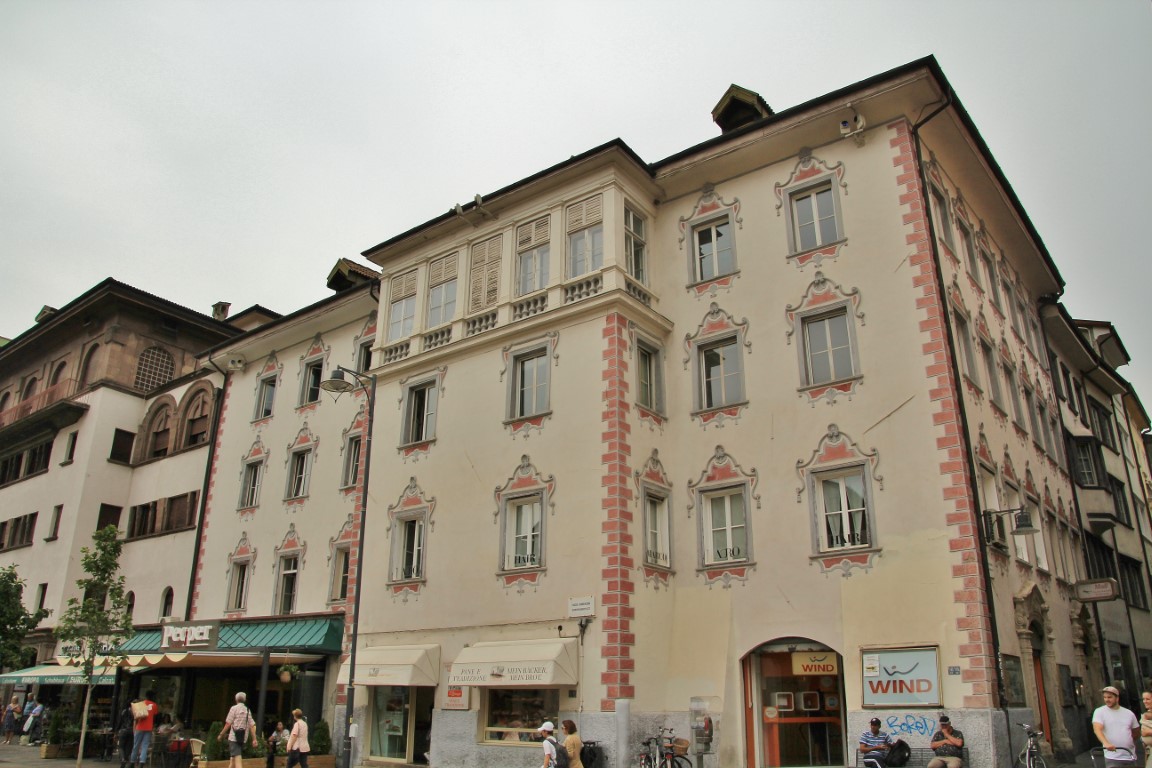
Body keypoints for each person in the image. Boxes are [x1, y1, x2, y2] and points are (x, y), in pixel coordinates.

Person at [1093, 685, 1141, 768]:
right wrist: (1106, 743)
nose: (1107, 700)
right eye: (1105, 697)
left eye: (1109, 697)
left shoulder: (1128, 713)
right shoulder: (1100, 712)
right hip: (1112, 757)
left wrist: (1127, 741)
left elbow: (1136, 731)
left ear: (1117, 698)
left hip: (1129, 755)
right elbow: (1097, 729)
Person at [219, 692, 257, 768]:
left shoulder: (233, 709)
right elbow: (252, 725)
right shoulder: (247, 710)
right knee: (233, 761)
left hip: (233, 738)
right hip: (242, 738)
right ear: (245, 700)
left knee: (237, 760)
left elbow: (228, 723)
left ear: (236, 699)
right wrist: (254, 739)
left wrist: (221, 734)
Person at [130, 690, 159, 768]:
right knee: (145, 745)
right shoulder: (154, 705)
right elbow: (155, 715)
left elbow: (135, 715)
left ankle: (132, 763)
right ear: (153, 696)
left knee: (136, 745)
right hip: (149, 727)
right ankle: (142, 763)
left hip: (139, 727)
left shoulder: (141, 704)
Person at [118, 701, 137, 768]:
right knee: (128, 748)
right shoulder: (136, 713)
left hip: (124, 730)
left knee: (121, 746)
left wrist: (117, 730)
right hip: (132, 731)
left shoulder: (124, 711)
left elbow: (120, 722)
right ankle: (125, 759)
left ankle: (123, 759)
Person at [1139, 691, 1151, 768]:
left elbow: (1146, 732)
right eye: (1143, 699)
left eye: (1148, 699)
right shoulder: (1146, 714)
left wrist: (1149, 732)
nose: (1145, 701)